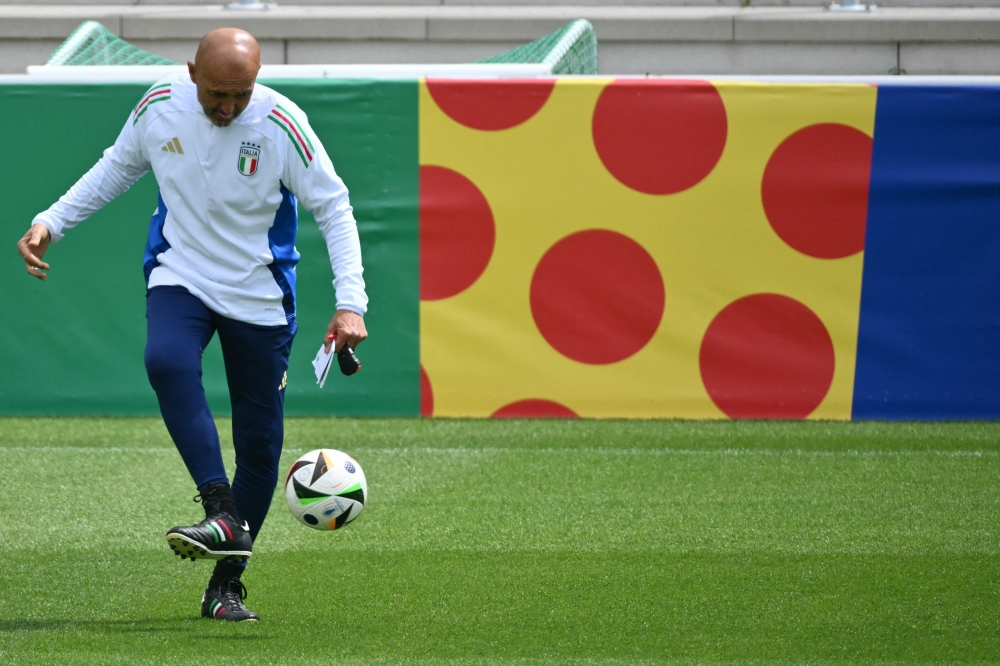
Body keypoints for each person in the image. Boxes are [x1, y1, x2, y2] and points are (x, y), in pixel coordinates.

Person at [16, 28, 368, 622]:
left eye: (241, 94)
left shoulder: (283, 124)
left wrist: (350, 300)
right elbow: (116, 169)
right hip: (181, 274)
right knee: (166, 360)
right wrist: (51, 221)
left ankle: (225, 586)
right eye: (216, 95)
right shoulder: (160, 106)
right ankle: (219, 504)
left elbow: (333, 207)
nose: (229, 107)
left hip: (260, 293)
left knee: (259, 443)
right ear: (191, 73)